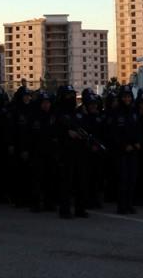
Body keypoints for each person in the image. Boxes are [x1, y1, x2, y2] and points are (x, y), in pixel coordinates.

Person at [55, 85, 88, 219]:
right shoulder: (58, 113)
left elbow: (84, 128)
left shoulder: (77, 113)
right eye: (68, 95)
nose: (71, 98)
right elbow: (53, 131)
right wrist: (67, 133)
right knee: (66, 182)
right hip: (65, 152)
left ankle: (80, 209)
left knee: (80, 181)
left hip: (79, 151)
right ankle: (65, 210)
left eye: (72, 95)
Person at [110, 85, 141, 214]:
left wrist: (138, 142)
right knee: (123, 179)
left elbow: (138, 129)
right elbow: (114, 133)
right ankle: (122, 206)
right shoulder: (116, 113)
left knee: (132, 179)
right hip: (121, 151)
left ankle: (129, 204)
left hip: (133, 150)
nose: (127, 99)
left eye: (129, 96)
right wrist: (123, 145)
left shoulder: (134, 112)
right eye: (125, 97)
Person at [25, 91, 56, 212]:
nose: (46, 105)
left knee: (50, 178)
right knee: (37, 179)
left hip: (50, 151)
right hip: (37, 152)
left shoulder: (53, 116)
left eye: (48, 103)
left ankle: (49, 203)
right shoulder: (34, 116)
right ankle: (36, 203)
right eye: (44, 103)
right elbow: (28, 134)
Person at [77, 89, 106, 209]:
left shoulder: (99, 117)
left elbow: (103, 134)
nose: (94, 106)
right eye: (91, 104)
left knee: (97, 177)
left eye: (95, 104)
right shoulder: (83, 118)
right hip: (86, 153)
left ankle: (96, 199)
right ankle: (87, 200)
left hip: (98, 152)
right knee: (86, 178)